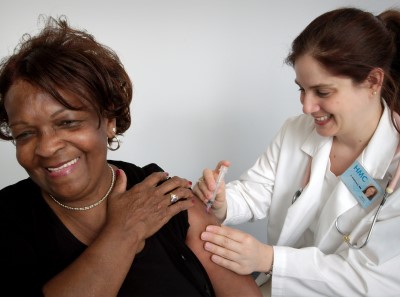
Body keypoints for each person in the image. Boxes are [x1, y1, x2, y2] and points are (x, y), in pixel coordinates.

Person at [0, 17, 262, 297]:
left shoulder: (163, 194)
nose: (47, 148)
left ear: (109, 119)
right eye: (25, 134)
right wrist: (124, 232)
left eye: (67, 123)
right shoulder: (8, 221)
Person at [194, 7, 400, 297]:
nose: (307, 106)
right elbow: (260, 189)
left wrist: (270, 260)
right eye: (301, 89)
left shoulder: (395, 164)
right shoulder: (297, 130)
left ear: (373, 82)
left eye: (323, 92)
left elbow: (371, 280)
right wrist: (224, 204)